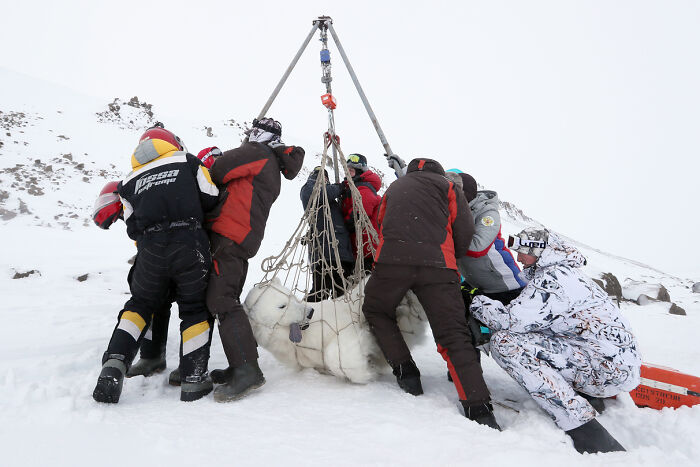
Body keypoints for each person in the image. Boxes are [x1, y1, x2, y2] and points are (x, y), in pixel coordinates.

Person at [470, 228, 641, 453]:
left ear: (543, 252)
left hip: (604, 370)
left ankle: (583, 428)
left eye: (524, 250)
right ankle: (586, 396)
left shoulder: (552, 279)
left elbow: (509, 321)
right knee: (531, 336)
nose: (519, 257)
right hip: (608, 362)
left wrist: (477, 301)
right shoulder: (564, 273)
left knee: (505, 342)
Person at [361, 157, 500, 430]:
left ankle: (406, 372)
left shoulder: (395, 187)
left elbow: (380, 221)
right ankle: (479, 409)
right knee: (453, 334)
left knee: (377, 310)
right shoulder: (449, 188)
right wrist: (450, 256)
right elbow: (464, 229)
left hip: (392, 263)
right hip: (438, 266)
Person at [92, 123, 220, 403]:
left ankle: (114, 364)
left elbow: (131, 225)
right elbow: (211, 197)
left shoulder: (129, 180)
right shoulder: (187, 161)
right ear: (173, 142)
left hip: (150, 251)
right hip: (189, 244)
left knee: (140, 306)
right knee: (195, 309)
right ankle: (193, 380)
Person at [205, 117, 304, 402]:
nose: (249, 134)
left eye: (253, 131)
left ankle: (247, 370)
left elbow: (218, 169)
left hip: (228, 233)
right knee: (228, 299)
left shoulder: (257, 153)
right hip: (244, 236)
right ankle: (241, 365)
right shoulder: (272, 162)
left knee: (222, 301)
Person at [92, 181, 176, 379]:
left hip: (177, 255)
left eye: (121, 215)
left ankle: (191, 370)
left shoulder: (143, 198)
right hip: (163, 258)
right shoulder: (140, 203)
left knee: (146, 305)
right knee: (157, 306)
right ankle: (152, 357)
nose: (123, 218)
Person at [300, 166, 354, 301]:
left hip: (341, 254)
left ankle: (339, 322)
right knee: (320, 292)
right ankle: (307, 319)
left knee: (342, 295)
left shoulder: (331, 199)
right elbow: (317, 195)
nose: (323, 179)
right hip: (324, 254)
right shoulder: (309, 189)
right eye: (319, 176)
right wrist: (339, 187)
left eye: (325, 177)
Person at [340, 153, 381, 272]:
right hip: (361, 249)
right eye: (347, 170)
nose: (348, 173)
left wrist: (342, 225)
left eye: (351, 171)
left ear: (359, 172)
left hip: (368, 249)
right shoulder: (352, 188)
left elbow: (360, 215)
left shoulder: (364, 188)